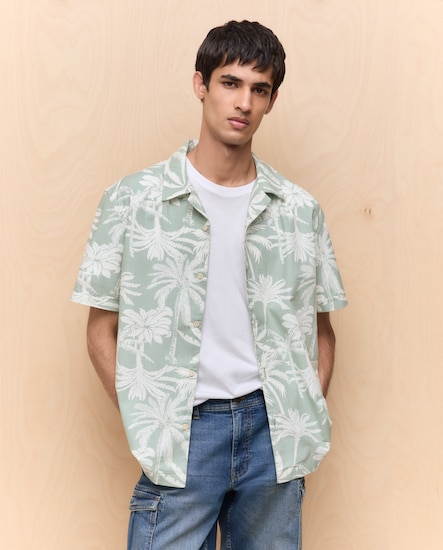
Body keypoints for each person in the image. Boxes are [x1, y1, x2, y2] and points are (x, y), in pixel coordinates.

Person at [72, 20, 347, 550]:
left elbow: (321, 329)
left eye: (260, 89)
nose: (243, 102)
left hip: (273, 432)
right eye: (230, 83)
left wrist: (299, 413)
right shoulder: (132, 201)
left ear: (271, 101)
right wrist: (147, 419)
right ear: (201, 84)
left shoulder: (299, 210)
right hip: (183, 431)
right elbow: (100, 327)